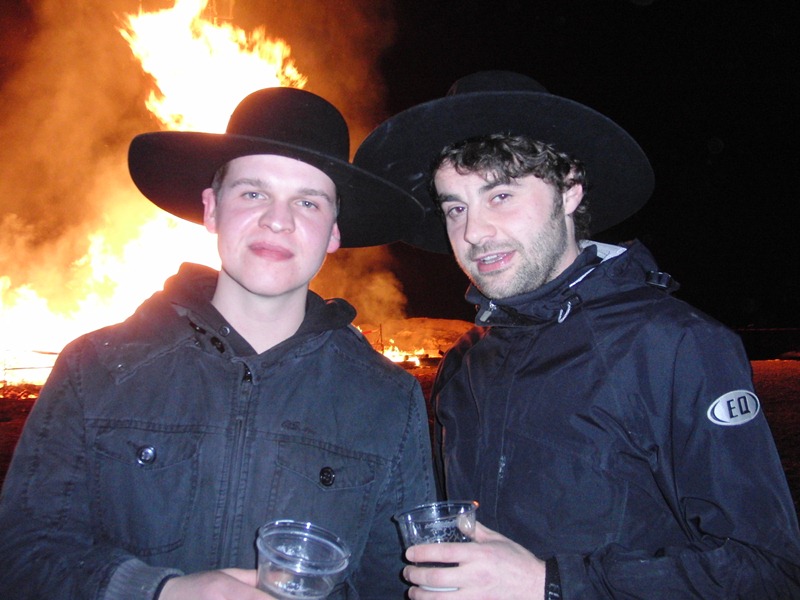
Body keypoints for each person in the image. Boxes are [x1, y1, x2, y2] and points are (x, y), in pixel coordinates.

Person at [354, 71, 800, 598]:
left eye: (501, 195)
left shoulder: (674, 345)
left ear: (569, 191)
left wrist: (551, 583)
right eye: (456, 207)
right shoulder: (466, 362)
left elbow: (769, 570)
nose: (473, 232)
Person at [0, 87, 436, 600]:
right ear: (211, 209)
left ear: (333, 231)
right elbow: (22, 554)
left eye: (307, 202)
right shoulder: (95, 368)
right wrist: (159, 591)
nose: (278, 220)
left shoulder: (388, 400)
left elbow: (396, 586)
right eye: (253, 193)